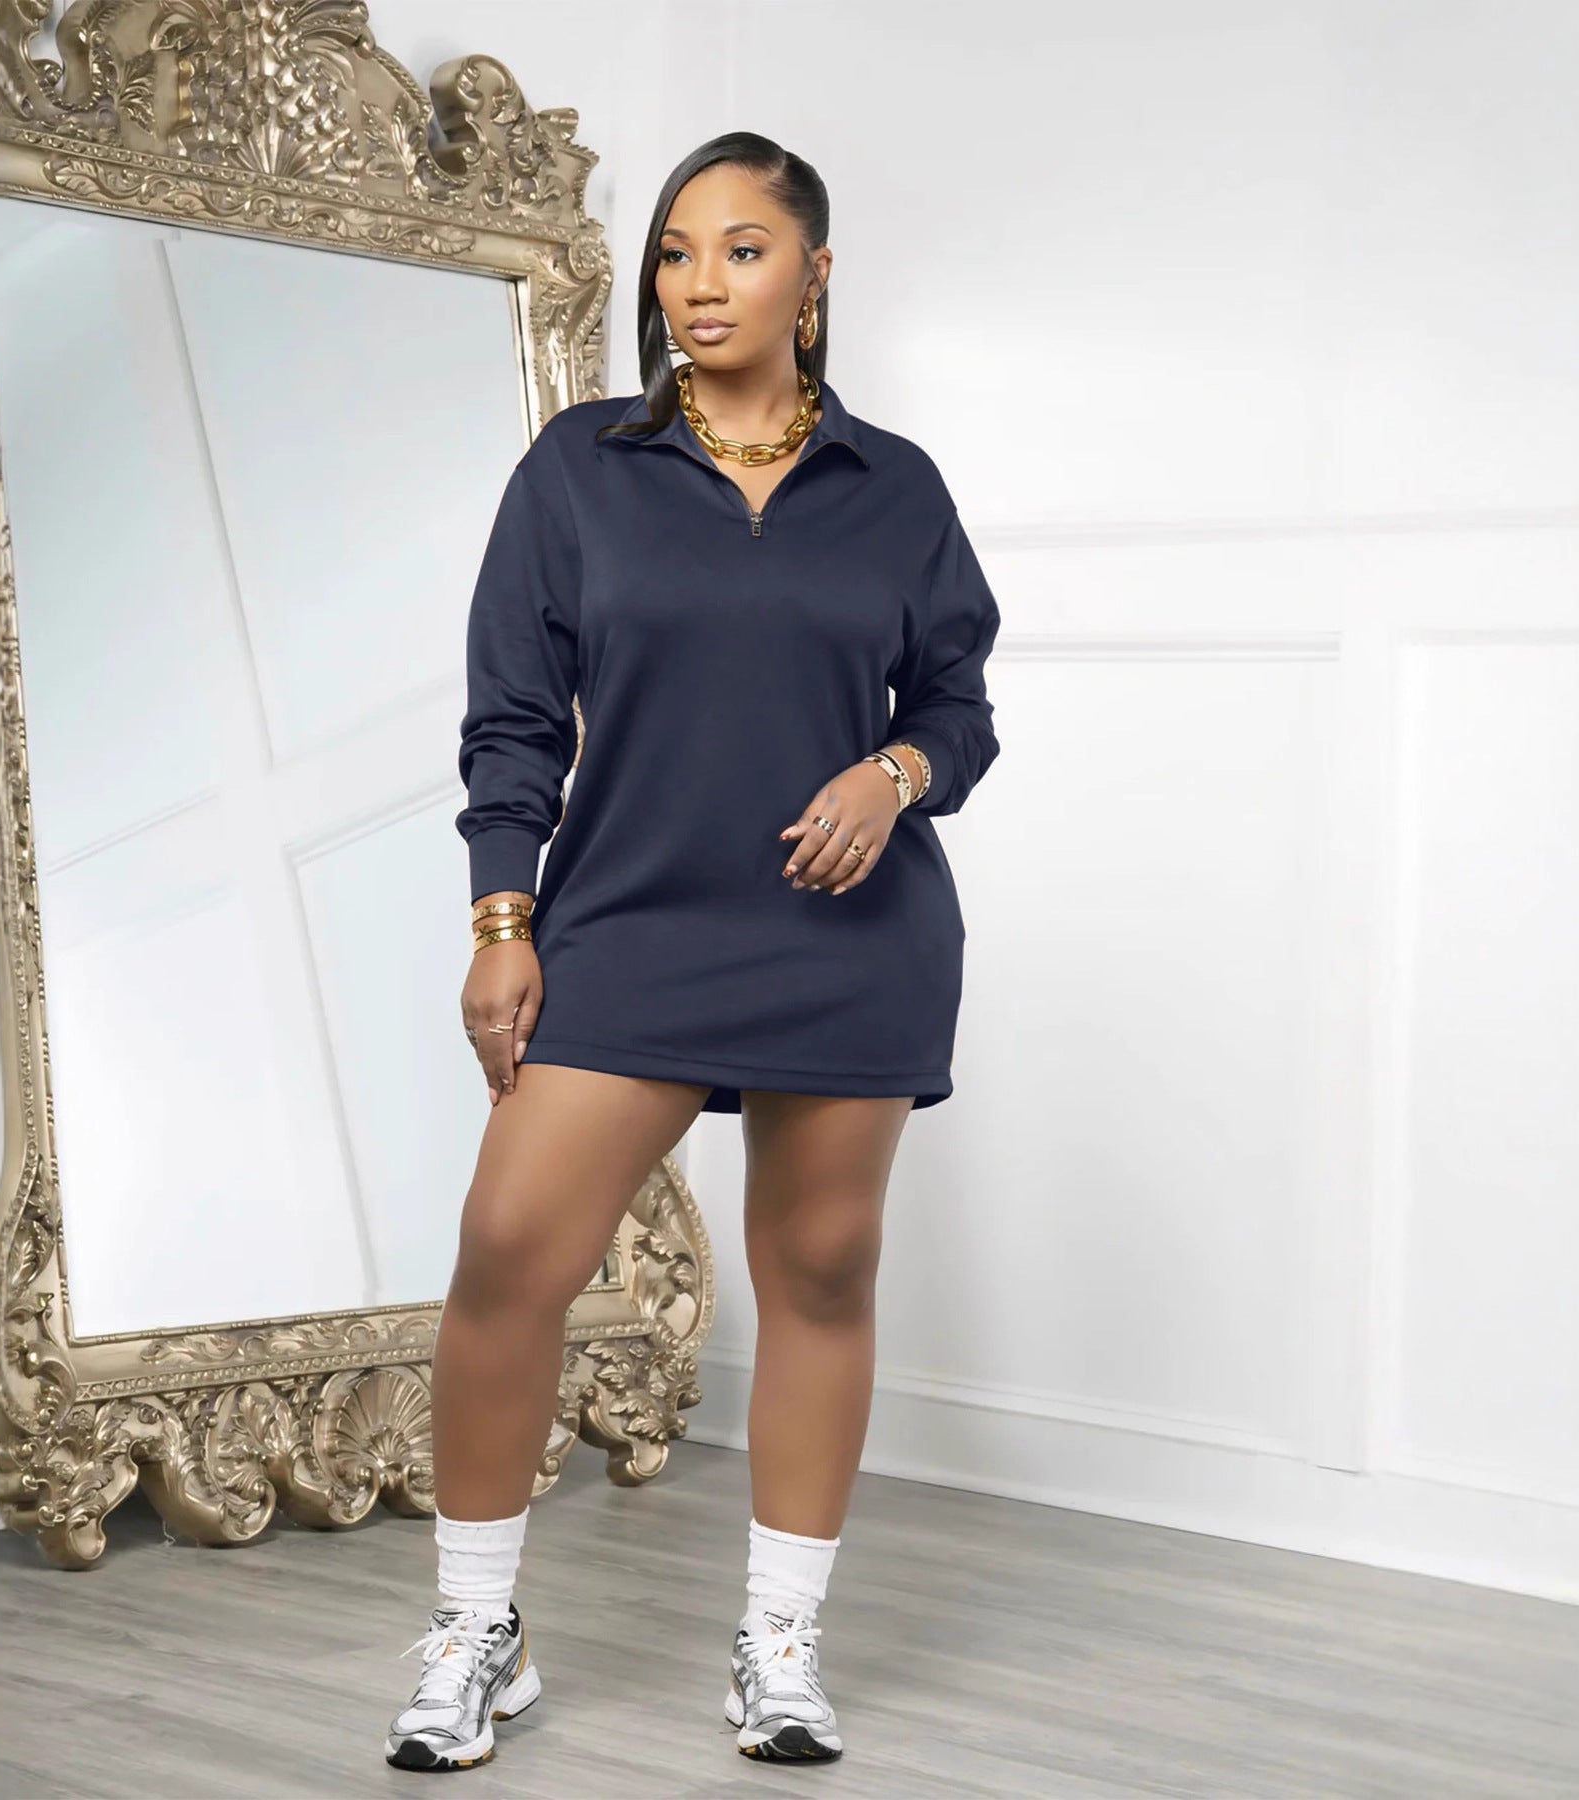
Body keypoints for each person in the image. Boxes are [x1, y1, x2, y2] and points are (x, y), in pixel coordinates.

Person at [384, 131, 1002, 1773]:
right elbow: (514, 718)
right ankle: (477, 1631)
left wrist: (894, 773)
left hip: (849, 935)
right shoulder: (580, 469)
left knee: (821, 1267)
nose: (698, 284)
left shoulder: (897, 487)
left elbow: (959, 707)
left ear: (813, 274)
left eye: (740, 248)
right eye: (674, 251)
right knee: (510, 1248)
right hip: (632, 920)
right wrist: (503, 919)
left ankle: (780, 1649)